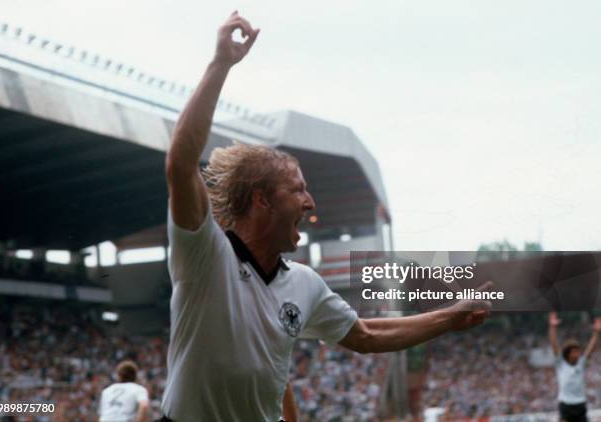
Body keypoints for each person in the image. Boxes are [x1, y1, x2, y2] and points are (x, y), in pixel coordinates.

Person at [161, 11, 492, 421]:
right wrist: (221, 64)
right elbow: (180, 164)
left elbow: (367, 335)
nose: (311, 202)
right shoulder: (205, 254)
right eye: (298, 189)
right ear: (263, 199)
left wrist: (448, 317)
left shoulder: (304, 284)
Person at [548, 312, 601, 422]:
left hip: (580, 404)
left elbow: (590, 348)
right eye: (574, 352)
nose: (578, 353)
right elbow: (554, 344)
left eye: (578, 351)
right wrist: (553, 327)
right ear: (568, 354)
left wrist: (596, 333)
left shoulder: (581, 364)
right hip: (565, 404)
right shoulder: (561, 364)